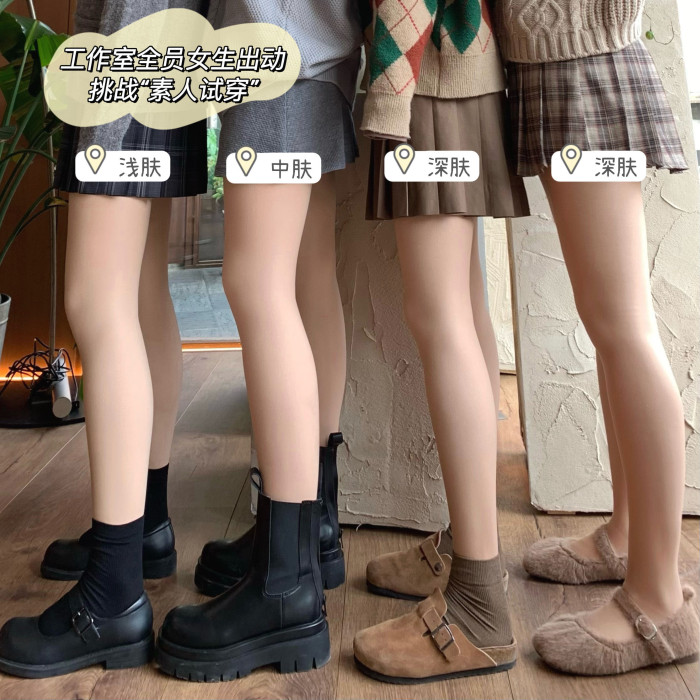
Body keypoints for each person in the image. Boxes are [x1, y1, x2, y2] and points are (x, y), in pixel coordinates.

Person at [152, 0, 363, 682]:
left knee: (259, 283)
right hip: (319, 58)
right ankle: (308, 532)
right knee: (305, 278)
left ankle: (285, 584)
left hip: (276, 54)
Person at [0, 0, 210, 679]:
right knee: (140, 292)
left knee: (97, 300)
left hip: (129, 43)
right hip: (164, 44)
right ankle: (143, 527)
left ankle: (113, 594)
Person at [492, 0, 699, 674]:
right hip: (566, 66)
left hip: (587, 69)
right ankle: (628, 535)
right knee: (612, 327)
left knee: (624, 329)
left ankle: (659, 600)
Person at [351, 0, 529, 684]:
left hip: (429, 74)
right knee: (462, 306)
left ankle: (479, 603)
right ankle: (466, 547)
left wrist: (388, 98)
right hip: (457, 72)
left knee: (440, 315)